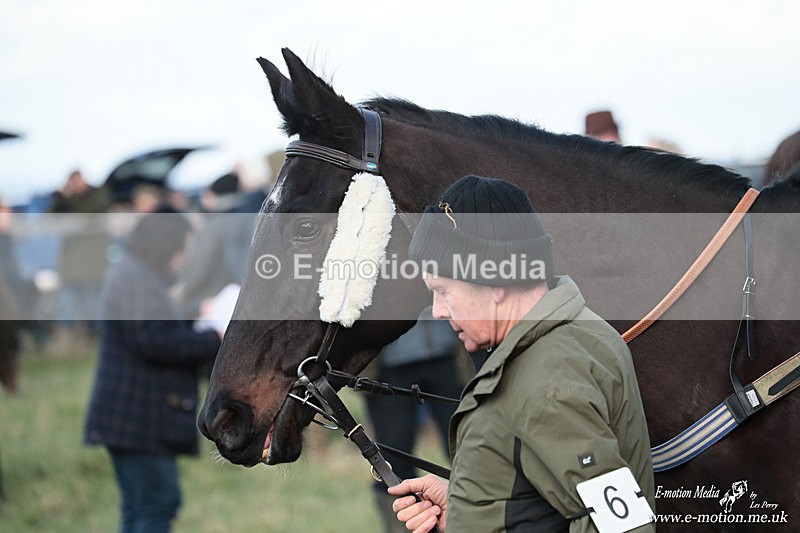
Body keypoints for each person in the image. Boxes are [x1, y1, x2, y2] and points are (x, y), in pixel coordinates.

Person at [388, 175, 654, 532]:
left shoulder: (549, 385)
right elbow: (543, 500)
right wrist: (469, 507)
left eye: (443, 290)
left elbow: (623, 527)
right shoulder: (574, 332)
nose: (437, 311)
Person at [84, 206, 222, 533]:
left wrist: (192, 313)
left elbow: (155, 324)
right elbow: (154, 340)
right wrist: (213, 337)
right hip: (139, 420)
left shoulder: (135, 273)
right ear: (166, 243)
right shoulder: (135, 278)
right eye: (184, 246)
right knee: (157, 503)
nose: (185, 256)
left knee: (140, 507)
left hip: (134, 417)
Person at [366, 307, 462, 533]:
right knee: (391, 461)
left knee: (466, 448)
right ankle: (400, 528)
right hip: (389, 366)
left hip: (449, 355)